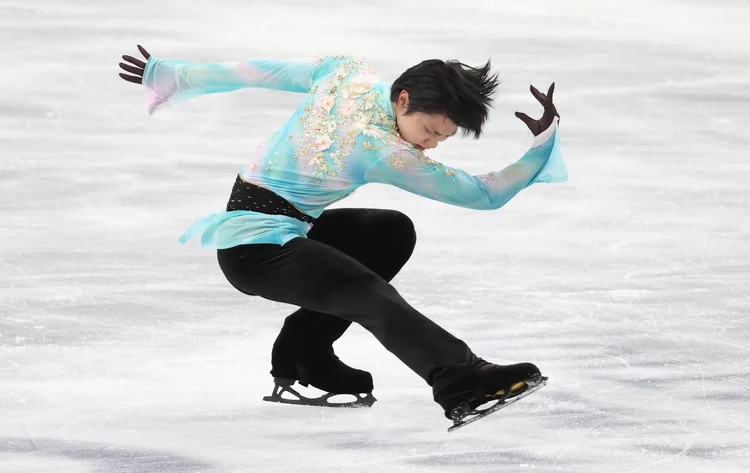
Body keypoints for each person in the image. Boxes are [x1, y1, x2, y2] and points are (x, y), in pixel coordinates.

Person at [118, 45, 567, 424]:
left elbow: (262, 72)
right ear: (405, 99)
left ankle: (304, 352)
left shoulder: (345, 73)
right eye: (431, 130)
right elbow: (480, 194)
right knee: (366, 292)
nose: (431, 144)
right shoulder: (380, 150)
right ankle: (460, 379)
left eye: (443, 139)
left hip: (281, 228)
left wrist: (174, 75)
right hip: (255, 253)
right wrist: (540, 148)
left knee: (388, 232)